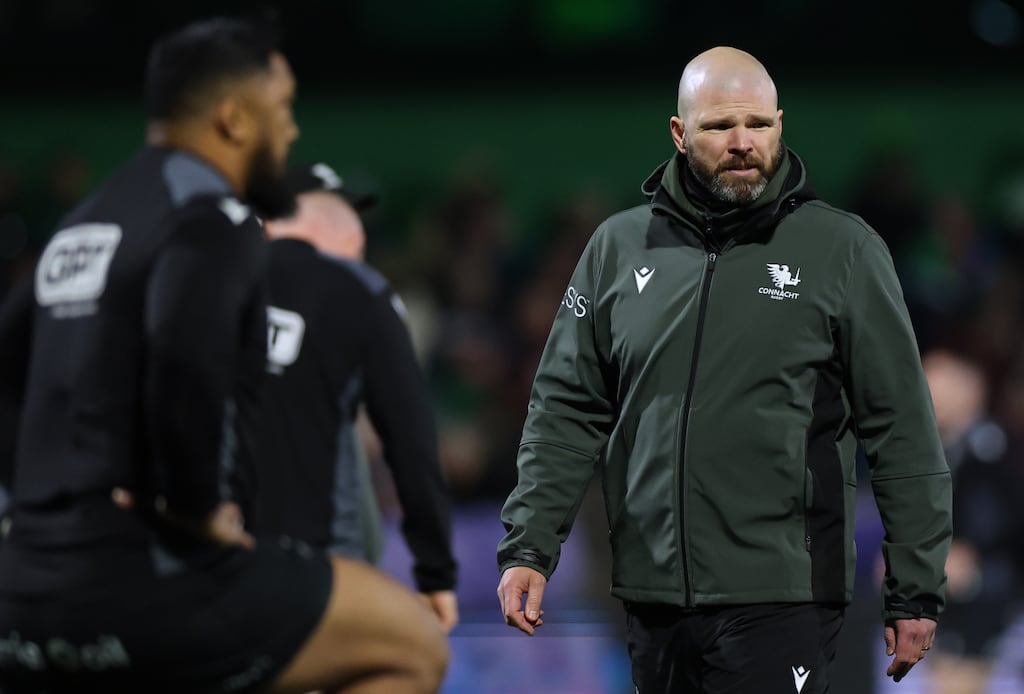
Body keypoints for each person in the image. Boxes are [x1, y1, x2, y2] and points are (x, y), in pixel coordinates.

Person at [0, 16, 447, 694]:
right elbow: (185, 358)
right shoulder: (215, 218)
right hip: (140, 587)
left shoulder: (84, 220)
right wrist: (194, 509)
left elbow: (8, 375)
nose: (291, 130)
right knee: (410, 645)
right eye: (284, 108)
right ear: (236, 119)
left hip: (26, 589)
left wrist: (36, 510)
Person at [496, 46, 952, 694]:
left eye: (758, 125)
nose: (743, 143)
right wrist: (529, 547)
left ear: (780, 125)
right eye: (719, 127)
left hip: (784, 594)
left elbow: (901, 425)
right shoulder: (616, 250)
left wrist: (916, 589)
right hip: (651, 597)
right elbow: (565, 409)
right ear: (680, 134)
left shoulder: (842, 250)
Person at [255, 161, 459, 633]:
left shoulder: (197, 288)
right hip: (317, 576)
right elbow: (411, 439)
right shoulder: (359, 291)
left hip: (209, 570)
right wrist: (435, 572)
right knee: (417, 660)